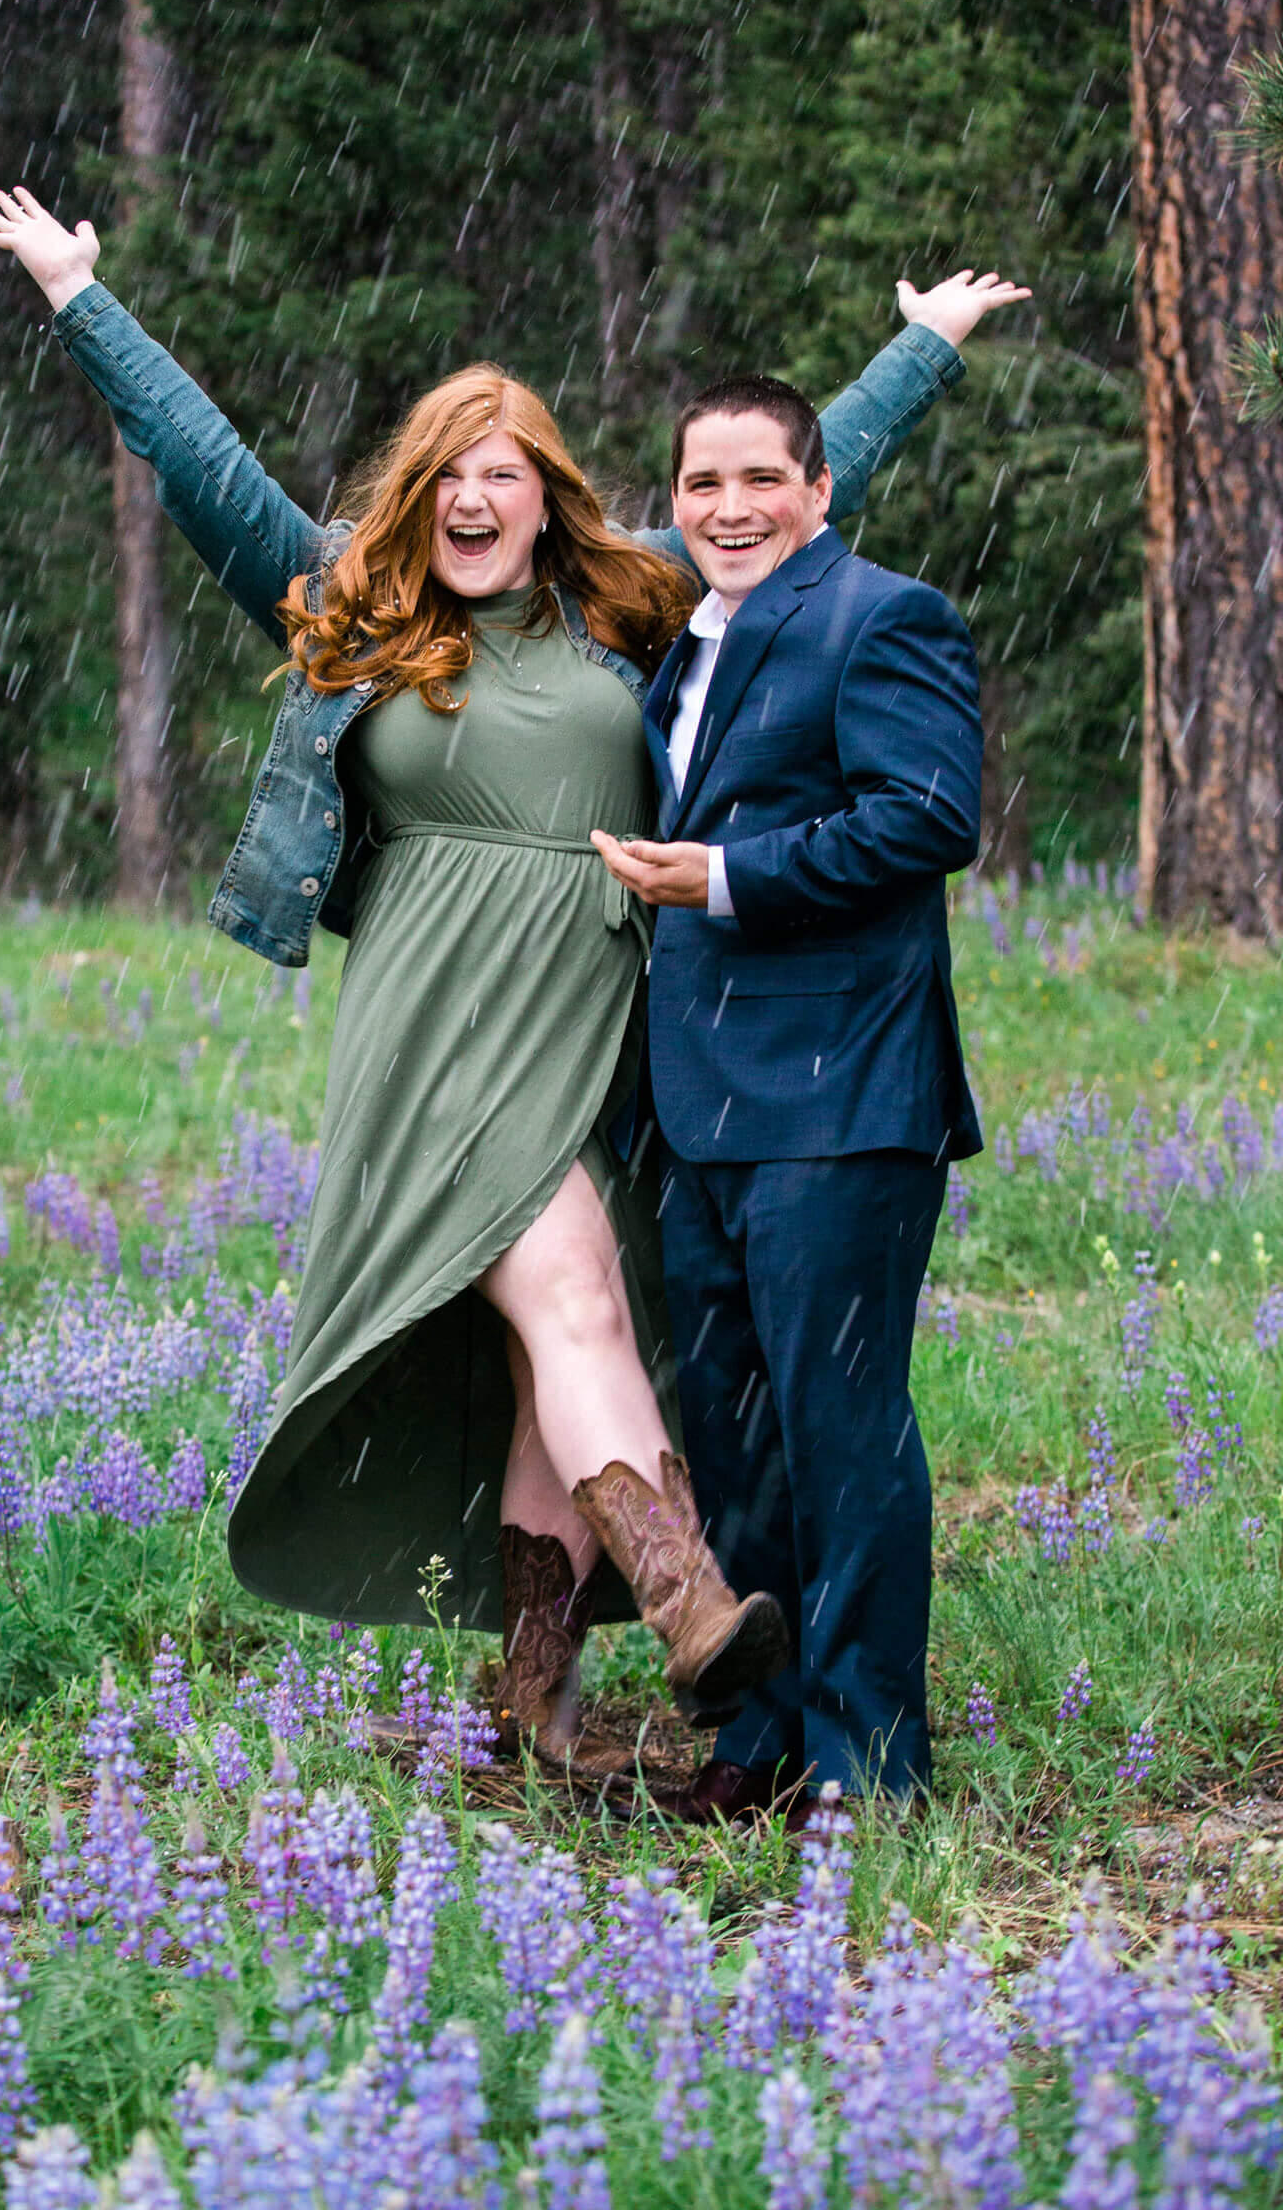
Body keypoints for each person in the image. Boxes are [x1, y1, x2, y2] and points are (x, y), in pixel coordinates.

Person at [0, 184, 1015, 1777]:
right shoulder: (351, 605)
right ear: (417, 497)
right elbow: (202, 471)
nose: (475, 501)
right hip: (442, 1039)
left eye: (504, 477)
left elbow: (786, 502)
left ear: (546, 501)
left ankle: (530, 1704)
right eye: (449, 477)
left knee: (554, 1359)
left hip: (603, 1029)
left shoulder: (626, 600)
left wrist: (920, 350)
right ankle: (693, 1610)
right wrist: (78, 299)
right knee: (581, 1296)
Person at [593, 364, 995, 1814]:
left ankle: (867, 1767)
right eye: (703, 481)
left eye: (763, 476)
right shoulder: (682, 650)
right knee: (738, 1440)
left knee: (842, 1434)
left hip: (843, 1099)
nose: (732, 504)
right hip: (702, 1103)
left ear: (820, 489)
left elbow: (927, 818)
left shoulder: (880, 617)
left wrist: (730, 876)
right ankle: (757, 1747)